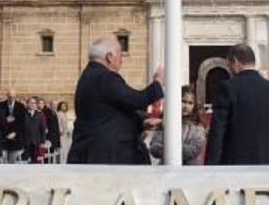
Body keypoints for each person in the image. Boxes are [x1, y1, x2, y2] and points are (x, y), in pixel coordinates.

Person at [67, 37, 164, 165]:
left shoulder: (89, 75)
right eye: (120, 56)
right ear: (109, 57)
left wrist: (142, 122)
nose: (121, 61)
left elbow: (112, 112)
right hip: (106, 155)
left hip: (91, 152)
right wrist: (157, 82)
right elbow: (136, 100)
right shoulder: (105, 77)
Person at [205, 43, 269, 166]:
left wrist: (210, 167)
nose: (229, 68)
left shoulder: (227, 88)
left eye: (229, 64)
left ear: (234, 61)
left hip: (237, 167)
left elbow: (217, 133)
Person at [150, 86, 208, 165]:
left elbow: (194, 149)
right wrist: (161, 149)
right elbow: (154, 146)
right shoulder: (166, 121)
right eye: (183, 101)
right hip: (166, 168)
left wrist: (169, 148)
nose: (186, 106)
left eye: (190, 103)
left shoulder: (197, 126)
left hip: (189, 170)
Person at [0, 90, 27, 164]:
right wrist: (5, 120)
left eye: (13, 97)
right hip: (3, 138)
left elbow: (22, 123)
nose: (11, 98)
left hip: (15, 138)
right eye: (10, 97)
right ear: (7, 96)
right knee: (3, 161)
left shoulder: (21, 106)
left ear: (16, 97)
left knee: (12, 162)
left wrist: (15, 133)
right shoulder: (0, 105)